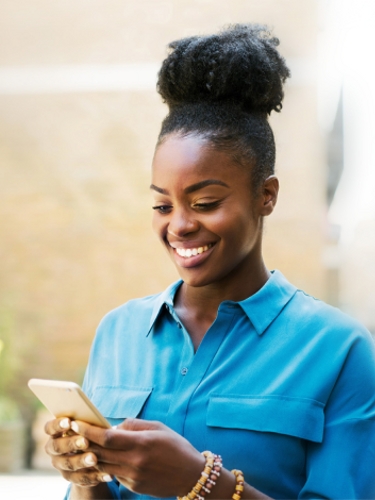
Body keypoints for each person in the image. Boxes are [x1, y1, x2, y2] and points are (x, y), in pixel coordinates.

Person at [44, 24, 375, 499]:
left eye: (204, 203)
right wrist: (86, 477)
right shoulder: (117, 333)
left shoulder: (337, 349)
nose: (178, 225)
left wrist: (201, 483)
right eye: (162, 205)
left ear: (266, 195)